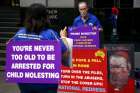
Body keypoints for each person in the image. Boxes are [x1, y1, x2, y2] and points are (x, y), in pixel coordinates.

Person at [12, 3, 67, 93]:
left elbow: (14, 55)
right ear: (44, 18)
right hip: (47, 84)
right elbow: (64, 56)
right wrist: (63, 38)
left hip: (24, 82)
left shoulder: (19, 34)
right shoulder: (50, 34)